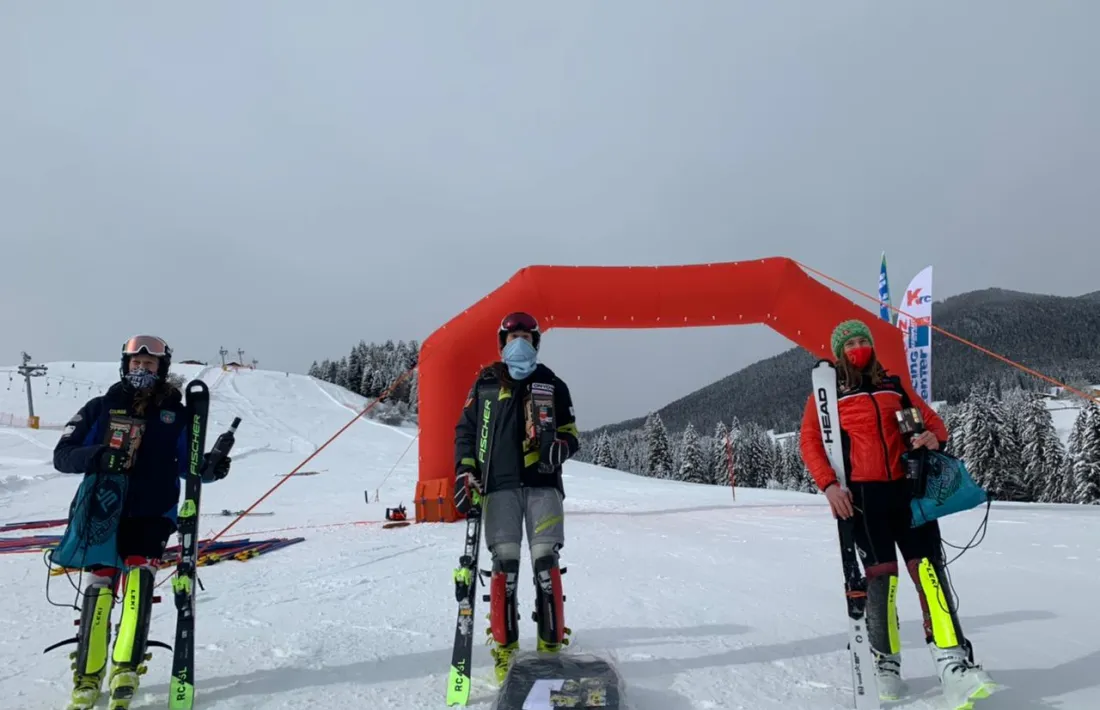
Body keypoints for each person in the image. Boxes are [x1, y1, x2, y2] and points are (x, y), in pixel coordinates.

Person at [799, 319, 996, 706]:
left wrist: (931, 437)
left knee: (929, 574)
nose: (859, 347)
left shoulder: (893, 386)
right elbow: (810, 443)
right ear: (840, 353)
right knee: (881, 583)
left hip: (908, 493)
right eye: (850, 343)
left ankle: (952, 662)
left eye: (862, 340)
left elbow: (935, 424)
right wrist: (829, 485)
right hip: (863, 500)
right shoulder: (826, 396)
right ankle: (886, 667)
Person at [51, 335, 232, 710]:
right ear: (125, 365)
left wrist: (213, 467)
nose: (141, 370)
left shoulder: (175, 414)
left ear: (161, 369)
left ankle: (126, 666)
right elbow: (63, 455)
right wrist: (97, 456)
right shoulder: (100, 407)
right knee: (100, 586)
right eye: (136, 363)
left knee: (139, 582)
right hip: (103, 508)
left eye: (149, 365)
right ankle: (88, 671)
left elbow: (189, 465)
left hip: (153, 511)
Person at [452, 311, 580, 682]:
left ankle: (550, 647)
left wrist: (562, 448)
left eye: (526, 336)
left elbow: (571, 432)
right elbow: (466, 431)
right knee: (504, 569)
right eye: (513, 337)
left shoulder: (552, 383)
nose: (519, 342)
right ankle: (505, 651)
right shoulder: (486, 384)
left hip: (543, 485)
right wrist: (465, 471)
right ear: (502, 344)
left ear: (536, 343)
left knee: (546, 565)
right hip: (499, 487)